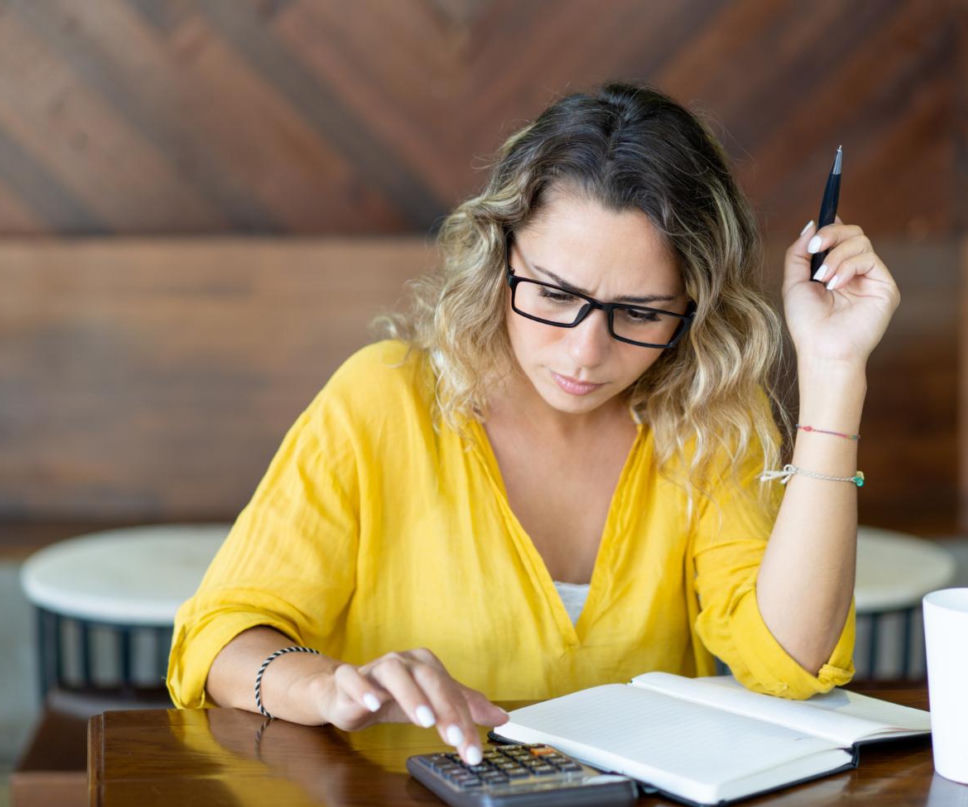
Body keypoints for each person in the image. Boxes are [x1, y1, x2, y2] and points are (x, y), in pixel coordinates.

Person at [168, 82, 899, 767]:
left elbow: (794, 662)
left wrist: (834, 372)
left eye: (639, 312)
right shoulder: (382, 400)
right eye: (552, 294)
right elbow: (219, 641)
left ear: (694, 309)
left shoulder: (709, 424)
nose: (585, 352)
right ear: (498, 255)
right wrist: (327, 687)